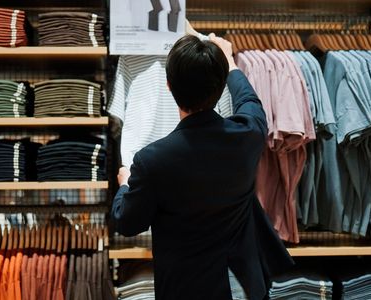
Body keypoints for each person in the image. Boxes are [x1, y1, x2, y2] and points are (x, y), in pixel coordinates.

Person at [112, 34, 293, 300]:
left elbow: (127, 222)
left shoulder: (152, 160)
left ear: (169, 86)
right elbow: (250, 101)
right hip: (242, 285)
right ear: (220, 88)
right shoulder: (247, 134)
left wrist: (125, 183)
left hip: (186, 289)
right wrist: (229, 63)